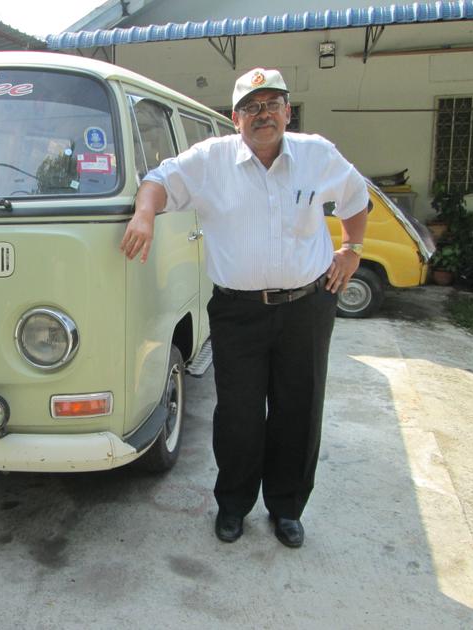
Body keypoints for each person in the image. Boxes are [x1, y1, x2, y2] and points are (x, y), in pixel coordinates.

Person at [120, 68, 368, 548]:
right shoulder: (211, 160)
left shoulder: (316, 154)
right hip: (238, 313)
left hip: (307, 307)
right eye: (251, 107)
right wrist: (145, 214)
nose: (263, 114)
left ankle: (287, 509)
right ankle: (233, 506)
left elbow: (356, 196)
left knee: (300, 408)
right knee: (239, 414)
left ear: (287, 112)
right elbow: (157, 179)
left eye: (272, 103)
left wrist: (352, 248)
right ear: (236, 119)